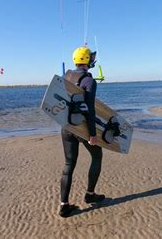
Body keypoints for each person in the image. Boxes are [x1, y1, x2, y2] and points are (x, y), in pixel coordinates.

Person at [59, 46, 105, 218]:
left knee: (69, 165)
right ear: (87, 60)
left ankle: (64, 206)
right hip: (83, 128)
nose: (93, 60)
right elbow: (90, 109)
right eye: (91, 58)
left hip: (67, 126)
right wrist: (92, 134)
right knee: (97, 156)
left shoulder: (66, 76)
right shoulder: (89, 81)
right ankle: (90, 194)